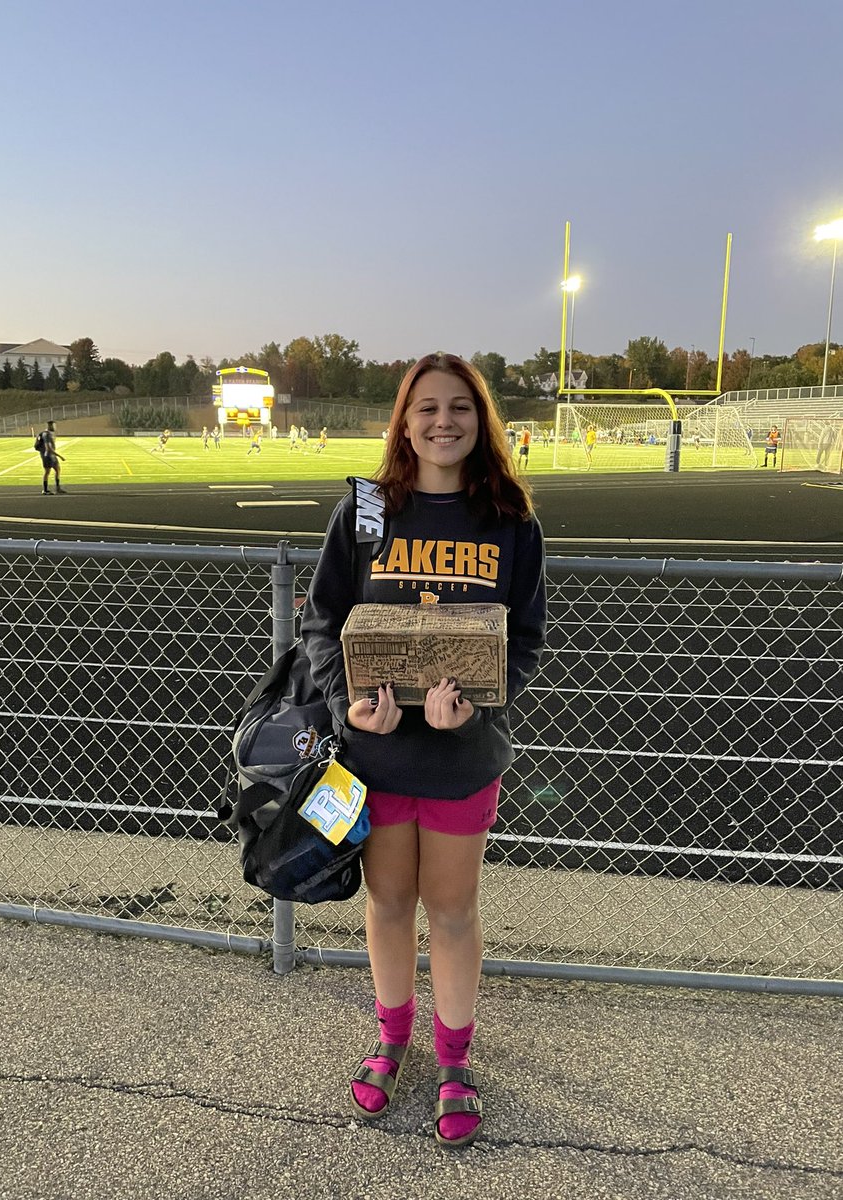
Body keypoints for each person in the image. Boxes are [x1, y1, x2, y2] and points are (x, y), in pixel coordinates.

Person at [300, 351, 546, 1149]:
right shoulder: (368, 510)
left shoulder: (509, 518)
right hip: (373, 759)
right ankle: (393, 1038)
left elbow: (526, 642)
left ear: (482, 421)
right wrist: (345, 707)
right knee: (388, 905)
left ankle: (453, 1058)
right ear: (404, 422)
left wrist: (472, 706)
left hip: (460, 759)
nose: (444, 422)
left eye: (461, 408)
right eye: (427, 408)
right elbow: (321, 620)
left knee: (452, 911)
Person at [37, 420, 65, 494]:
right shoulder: (46, 435)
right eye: (54, 426)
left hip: (51, 455)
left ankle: (58, 488)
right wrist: (59, 456)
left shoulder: (49, 434)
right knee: (47, 471)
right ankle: (45, 490)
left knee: (57, 469)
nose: (55, 427)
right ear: (50, 426)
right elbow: (48, 448)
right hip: (47, 456)